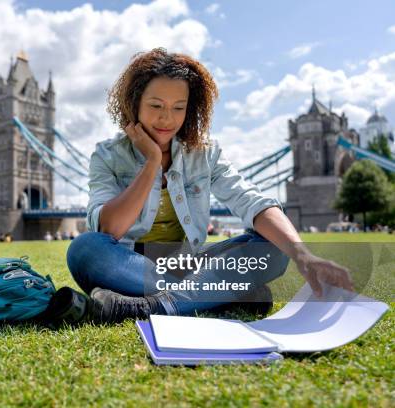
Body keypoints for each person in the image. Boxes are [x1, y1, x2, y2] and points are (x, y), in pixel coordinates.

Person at [66, 48, 354, 323]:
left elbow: (251, 201)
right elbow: (110, 229)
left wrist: (303, 256)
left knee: (278, 248)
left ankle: (158, 305)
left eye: (179, 108)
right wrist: (152, 161)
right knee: (84, 249)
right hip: (126, 266)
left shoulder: (205, 154)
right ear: (134, 103)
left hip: (189, 267)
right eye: (156, 106)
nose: (167, 119)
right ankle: (217, 294)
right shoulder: (106, 155)